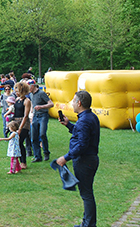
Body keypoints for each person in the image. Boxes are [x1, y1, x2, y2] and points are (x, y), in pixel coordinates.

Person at [56, 91, 100, 227]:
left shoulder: (84, 121)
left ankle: (88, 225)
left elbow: (82, 145)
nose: (72, 103)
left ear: (79, 103)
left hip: (84, 161)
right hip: (89, 159)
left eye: (74, 101)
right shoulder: (90, 117)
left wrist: (65, 157)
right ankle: (88, 223)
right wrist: (69, 125)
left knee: (86, 194)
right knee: (87, 193)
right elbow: (83, 135)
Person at [28, 81, 54, 162]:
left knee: (42, 134)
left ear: (32, 86)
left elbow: (51, 104)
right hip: (35, 116)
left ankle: (46, 152)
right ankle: (37, 156)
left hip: (43, 116)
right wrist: (31, 113)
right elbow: (32, 104)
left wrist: (41, 107)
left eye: (28, 86)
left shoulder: (42, 93)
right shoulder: (31, 94)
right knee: (33, 137)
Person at [13, 81, 31, 169]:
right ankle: (18, 161)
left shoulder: (27, 101)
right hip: (16, 121)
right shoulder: (17, 100)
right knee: (16, 142)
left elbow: (26, 115)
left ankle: (23, 162)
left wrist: (20, 128)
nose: (16, 93)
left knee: (20, 142)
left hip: (24, 123)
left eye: (17, 91)